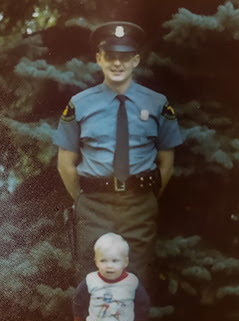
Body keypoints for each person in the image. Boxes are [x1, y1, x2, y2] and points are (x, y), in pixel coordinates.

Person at [53, 21, 182, 286]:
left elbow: (166, 164)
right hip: (94, 207)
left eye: (124, 57)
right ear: (99, 58)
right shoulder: (80, 104)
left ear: (136, 60)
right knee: (92, 283)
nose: (117, 64)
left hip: (139, 206)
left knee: (136, 284)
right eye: (110, 56)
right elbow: (65, 165)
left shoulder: (157, 104)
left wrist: (146, 198)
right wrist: (84, 199)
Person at [71, 233, 149, 321]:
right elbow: (78, 298)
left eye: (115, 261)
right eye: (103, 261)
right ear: (96, 262)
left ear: (125, 262)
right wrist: (78, 317)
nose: (109, 266)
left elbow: (142, 304)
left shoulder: (132, 282)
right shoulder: (91, 280)